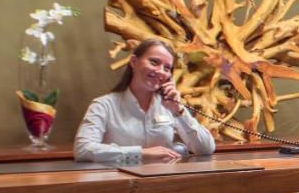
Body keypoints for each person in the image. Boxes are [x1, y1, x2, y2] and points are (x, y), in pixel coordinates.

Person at [74, 38, 216, 164]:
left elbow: (206, 149)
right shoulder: (104, 105)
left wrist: (179, 111)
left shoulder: (170, 106)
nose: (160, 71)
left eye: (167, 68)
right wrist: (140, 153)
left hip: (164, 180)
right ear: (134, 62)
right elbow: (83, 149)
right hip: (121, 181)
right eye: (154, 62)